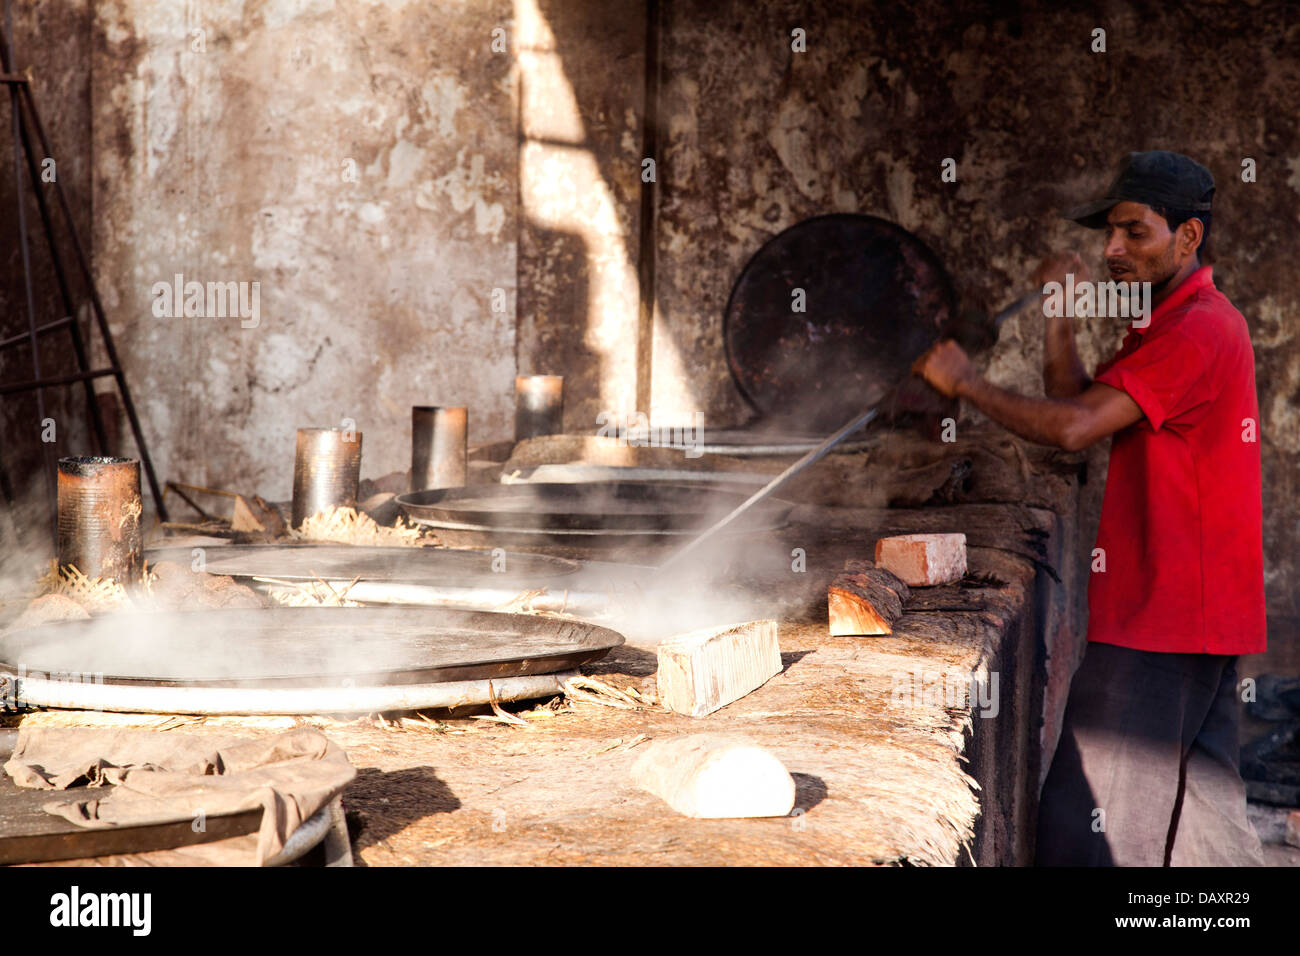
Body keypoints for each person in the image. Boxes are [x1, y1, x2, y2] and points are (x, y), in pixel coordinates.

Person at [912, 150, 1266, 866]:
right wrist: (1059, 314)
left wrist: (967, 383)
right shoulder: (1169, 323)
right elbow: (1079, 400)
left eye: (1134, 231)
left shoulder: (1200, 328)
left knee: (1090, 827)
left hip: (1163, 615)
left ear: (1188, 237)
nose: (1112, 250)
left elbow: (1072, 429)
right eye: (1110, 232)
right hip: (1189, 611)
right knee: (1203, 828)